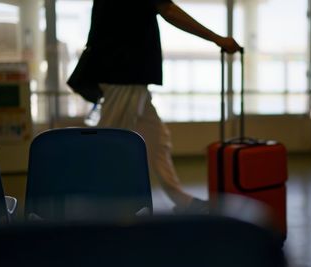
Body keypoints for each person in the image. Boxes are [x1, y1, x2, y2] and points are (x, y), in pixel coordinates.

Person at [85, 0, 242, 212]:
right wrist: (217, 39)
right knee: (108, 145)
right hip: (123, 75)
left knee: (157, 140)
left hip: (129, 77)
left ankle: (182, 200)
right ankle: (95, 207)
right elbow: (167, 9)